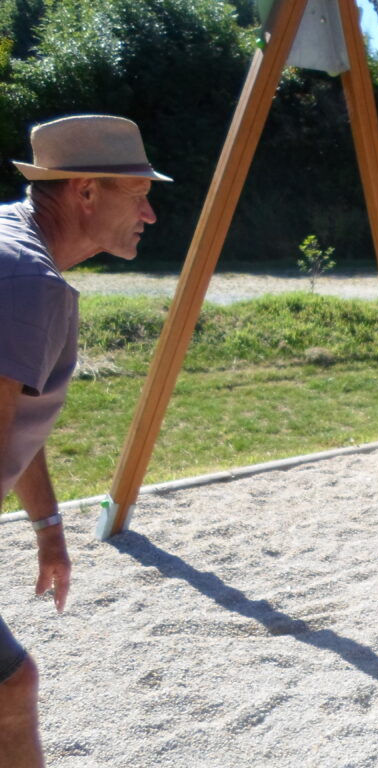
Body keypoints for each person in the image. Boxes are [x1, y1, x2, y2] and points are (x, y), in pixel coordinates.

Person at [1, 114, 169, 767]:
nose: (150, 214)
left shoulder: (16, 250)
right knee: (10, 688)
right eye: (139, 194)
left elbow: (12, 416)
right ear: (86, 191)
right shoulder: (28, 285)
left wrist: (48, 527)